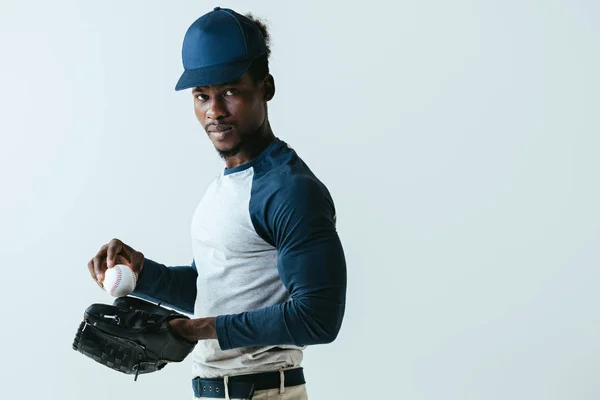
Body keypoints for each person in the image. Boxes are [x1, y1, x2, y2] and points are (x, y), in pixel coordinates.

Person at [87, 7, 346, 400]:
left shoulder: (291, 191)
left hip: (262, 391)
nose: (215, 111)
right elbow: (214, 289)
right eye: (202, 95)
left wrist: (193, 330)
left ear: (266, 86)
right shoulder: (226, 186)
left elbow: (319, 318)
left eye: (229, 91)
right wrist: (143, 274)